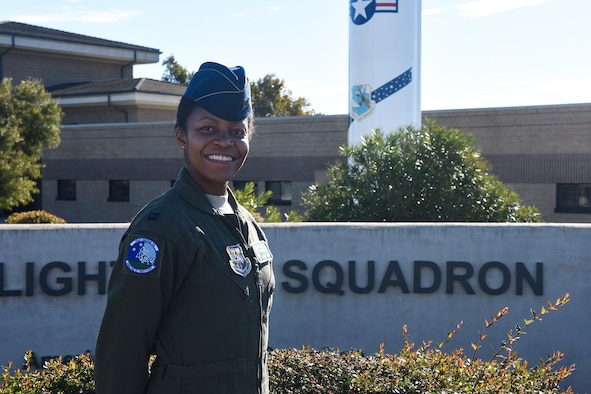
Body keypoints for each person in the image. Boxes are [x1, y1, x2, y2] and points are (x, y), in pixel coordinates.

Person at [94, 62, 275, 394]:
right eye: (208, 129)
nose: (225, 142)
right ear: (181, 136)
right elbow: (121, 353)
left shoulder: (246, 225)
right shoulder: (161, 229)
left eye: (237, 131)